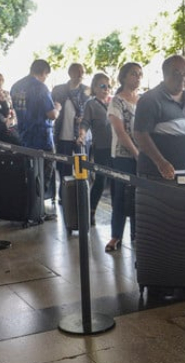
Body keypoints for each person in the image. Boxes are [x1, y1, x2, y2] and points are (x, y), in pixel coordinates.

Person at [134, 55, 185, 181]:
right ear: (165, 75)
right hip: (158, 176)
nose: (182, 78)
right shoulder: (150, 100)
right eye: (176, 73)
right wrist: (161, 162)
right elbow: (140, 134)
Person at [11, 59, 61, 221]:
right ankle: (38, 208)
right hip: (42, 137)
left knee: (28, 173)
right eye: (46, 75)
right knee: (43, 173)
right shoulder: (40, 87)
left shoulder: (16, 86)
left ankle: (26, 208)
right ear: (43, 72)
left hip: (23, 136)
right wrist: (58, 108)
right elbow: (51, 114)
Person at [104, 62, 142, 252]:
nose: (137, 78)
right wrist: (136, 154)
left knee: (139, 196)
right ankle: (116, 236)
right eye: (134, 74)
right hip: (122, 156)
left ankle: (137, 234)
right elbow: (120, 131)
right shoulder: (117, 101)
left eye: (139, 74)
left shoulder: (141, 100)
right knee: (120, 195)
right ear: (124, 77)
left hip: (142, 156)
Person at [52, 63, 91, 197]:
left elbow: (91, 110)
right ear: (70, 73)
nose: (80, 74)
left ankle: (81, 197)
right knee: (64, 169)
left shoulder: (87, 90)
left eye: (82, 72)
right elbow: (52, 109)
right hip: (63, 136)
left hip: (80, 136)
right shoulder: (58, 90)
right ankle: (64, 196)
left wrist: (84, 118)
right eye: (77, 71)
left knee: (82, 169)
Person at [80, 73, 114, 226]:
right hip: (102, 148)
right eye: (102, 86)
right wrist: (81, 135)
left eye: (108, 86)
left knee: (117, 182)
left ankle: (117, 213)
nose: (106, 89)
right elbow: (85, 123)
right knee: (101, 180)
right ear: (94, 87)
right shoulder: (91, 104)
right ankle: (90, 211)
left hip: (117, 148)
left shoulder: (113, 102)